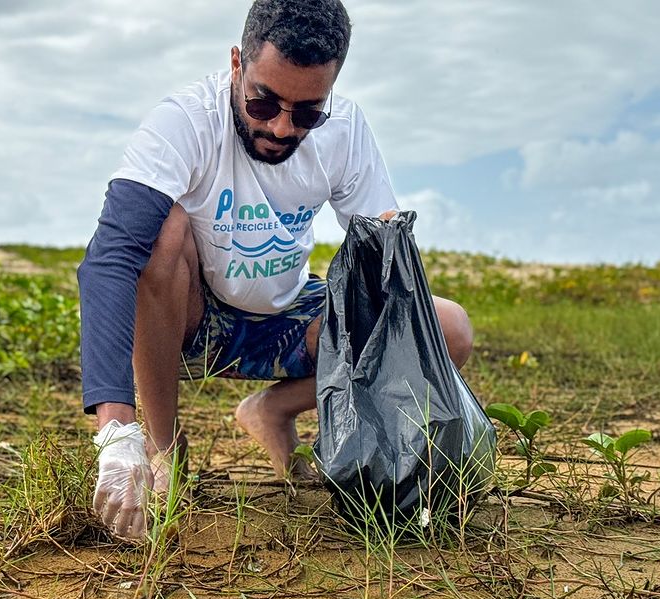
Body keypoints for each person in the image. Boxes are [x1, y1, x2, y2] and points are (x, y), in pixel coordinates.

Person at [77, 0, 473, 539]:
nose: (284, 128)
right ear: (238, 65)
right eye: (265, 104)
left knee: (446, 329)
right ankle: (161, 447)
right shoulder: (186, 120)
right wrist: (114, 430)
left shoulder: (346, 130)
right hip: (190, 322)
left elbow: (386, 270)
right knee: (162, 227)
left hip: (288, 315)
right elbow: (112, 255)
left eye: (308, 112)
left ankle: (271, 411)